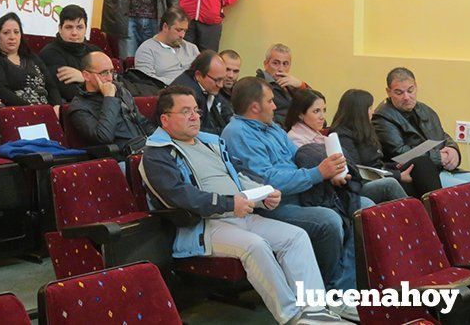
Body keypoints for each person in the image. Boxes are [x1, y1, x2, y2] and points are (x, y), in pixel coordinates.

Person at [141, 86, 348, 325]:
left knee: (295, 237)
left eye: (196, 111)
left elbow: (238, 177)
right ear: (165, 119)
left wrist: (265, 195)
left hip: (241, 214)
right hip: (205, 225)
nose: (194, 117)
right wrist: (230, 203)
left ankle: (315, 310)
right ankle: (292, 317)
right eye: (185, 111)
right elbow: (180, 196)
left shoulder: (210, 142)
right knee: (255, 245)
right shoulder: (157, 154)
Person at [222, 77, 361, 321]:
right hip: (273, 205)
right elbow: (269, 180)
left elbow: (299, 157)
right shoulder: (238, 133)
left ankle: (342, 288)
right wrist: (318, 173)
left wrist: (329, 174)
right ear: (255, 107)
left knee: (362, 207)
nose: (276, 106)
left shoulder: (273, 128)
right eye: (270, 101)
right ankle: (328, 293)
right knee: (328, 220)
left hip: (303, 194)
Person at [373, 67, 470, 188]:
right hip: (419, 175)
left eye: (410, 90)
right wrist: (438, 157)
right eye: (399, 92)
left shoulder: (424, 109)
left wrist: (453, 150)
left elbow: (441, 135)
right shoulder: (382, 118)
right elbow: (400, 153)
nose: (406, 97)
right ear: (388, 92)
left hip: (442, 169)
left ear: (416, 86)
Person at [330, 89, 442, 197]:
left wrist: (394, 166)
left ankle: (437, 207)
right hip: (365, 182)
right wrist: (398, 175)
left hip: (382, 173)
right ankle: (435, 210)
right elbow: (358, 169)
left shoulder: (364, 129)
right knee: (418, 177)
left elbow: (377, 162)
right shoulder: (342, 135)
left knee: (421, 162)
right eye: (369, 108)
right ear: (359, 112)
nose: (372, 112)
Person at [68, 52, 155, 149]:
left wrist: (162, 141)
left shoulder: (120, 90)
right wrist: (109, 98)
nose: (110, 78)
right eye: (104, 73)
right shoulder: (79, 107)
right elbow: (104, 137)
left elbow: (142, 122)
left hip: (145, 149)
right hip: (121, 157)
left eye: (112, 72)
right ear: (86, 75)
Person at [0, 13, 61, 110]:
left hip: (47, 110)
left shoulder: (32, 57)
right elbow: (2, 92)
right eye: (6, 33)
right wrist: (33, 109)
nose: (12, 37)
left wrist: (57, 106)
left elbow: (51, 86)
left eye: (16, 32)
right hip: (18, 112)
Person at [39, 5, 101, 102]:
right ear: (60, 29)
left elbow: (113, 84)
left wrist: (84, 78)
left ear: (86, 29)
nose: (74, 33)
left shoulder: (95, 52)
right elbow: (70, 93)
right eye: (69, 27)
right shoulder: (50, 54)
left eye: (79, 27)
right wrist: (99, 84)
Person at [170, 51, 233, 135]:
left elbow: (224, 109)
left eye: (223, 79)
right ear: (198, 75)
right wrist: (227, 132)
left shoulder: (209, 85)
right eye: (217, 80)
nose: (221, 85)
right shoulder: (187, 95)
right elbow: (197, 130)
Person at [134, 6, 200, 85]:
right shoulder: (146, 50)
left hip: (196, 92)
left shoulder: (191, 48)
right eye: (178, 30)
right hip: (166, 93)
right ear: (165, 27)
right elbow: (145, 81)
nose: (182, 35)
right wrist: (180, 83)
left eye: (185, 31)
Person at [256, 43, 311, 126]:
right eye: (275, 63)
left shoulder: (290, 83)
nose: (281, 69)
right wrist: (299, 119)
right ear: (265, 64)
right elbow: (267, 119)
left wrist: (301, 85)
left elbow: (314, 103)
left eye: (285, 64)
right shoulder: (259, 86)